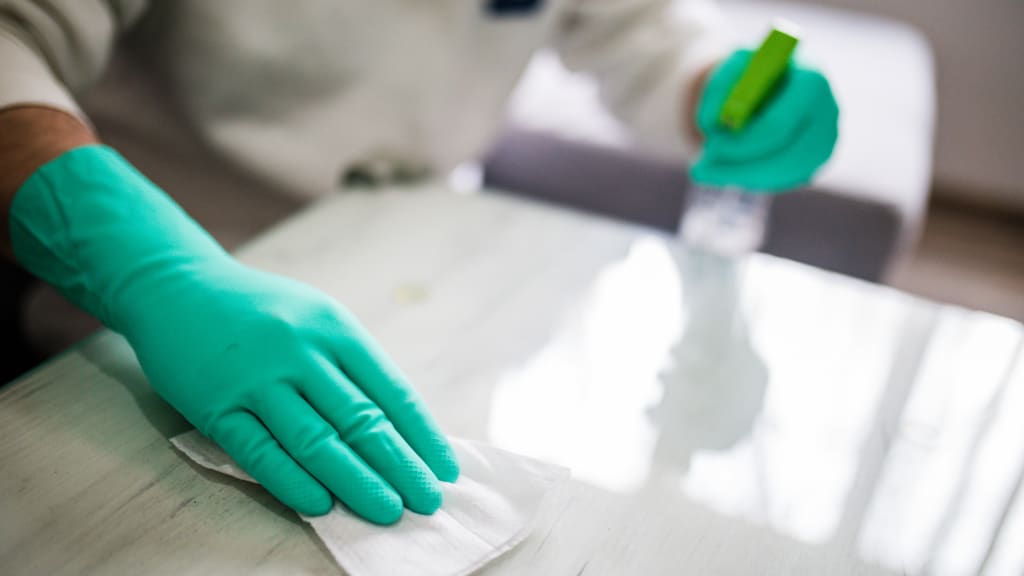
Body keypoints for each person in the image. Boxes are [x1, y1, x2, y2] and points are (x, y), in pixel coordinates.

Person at [0, 0, 837, 525]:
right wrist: (149, 265)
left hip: (417, 261)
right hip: (151, 292)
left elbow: (639, 35)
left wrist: (710, 88)